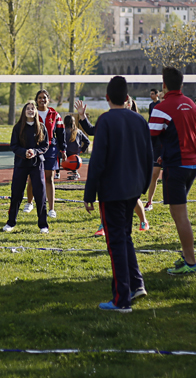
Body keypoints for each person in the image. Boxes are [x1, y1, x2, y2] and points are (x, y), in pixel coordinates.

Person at [84, 76, 153, 312]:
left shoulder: (105, 121)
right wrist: (142, 187)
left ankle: (121, 300)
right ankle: (136, 284)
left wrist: (89, 193)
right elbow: (148, 157)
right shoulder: (139, 120)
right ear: (127, 98)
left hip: (112, 192)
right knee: (125, 237)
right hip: (132, 190)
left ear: (106, 99)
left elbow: (97, 161)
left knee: (115, 243)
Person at [150, 67, 196, 275]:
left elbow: (151, 135)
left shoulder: (162, 107)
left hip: (177, 166)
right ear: (181, 84)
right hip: (192, 165)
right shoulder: (191, 104)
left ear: (164, 85)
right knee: (178, 214)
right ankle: (186, 256)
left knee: (180, 216)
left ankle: (191, 262)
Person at [75, 100, 151, 234]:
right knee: (105, 196)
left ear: (129, 106)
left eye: (127, 103)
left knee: (132, 198)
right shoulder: (109, 120)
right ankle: (103, 225)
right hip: (112, 166)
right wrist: (82, 117)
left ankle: (143, 220)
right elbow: (93, 130)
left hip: (128, 166)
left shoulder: (137, 123)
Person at [3, 101, 50, 234]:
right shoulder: (18, 128)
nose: (30, 110)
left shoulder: (41, 127)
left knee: (40, 195)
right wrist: (24, 152)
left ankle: (43, 225)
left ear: (35, 112)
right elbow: (14, 145)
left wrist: (34, 152)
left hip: (37, 164)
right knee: (16, 194)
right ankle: (10, 223)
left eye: (33, 108)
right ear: (24, 112)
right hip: (21, 165)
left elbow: (45, 145)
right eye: (28, 108)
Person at [24, 90, 64, 218]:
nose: (42, 100)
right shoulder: (31, 112)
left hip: (50, 149)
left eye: (45, 98)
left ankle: (51, 209)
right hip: (34, 148)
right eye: (40, 98)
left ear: (48, 99)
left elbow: (61, 133)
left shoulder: (55, 114)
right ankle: (29, 203)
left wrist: (63, 150)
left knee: (49, 178)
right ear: (36, 100)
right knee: (31, 178)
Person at [144, 89, 163, 211]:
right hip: (156, 143)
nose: (151, 96)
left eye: (153, 93)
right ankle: (149, 201)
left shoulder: (162, 106)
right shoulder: (152, 106)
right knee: (154, 174)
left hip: (166, 145)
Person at [62, 114, 89, 179]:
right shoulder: (78, 131)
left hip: (65, 156)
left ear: (64, 122)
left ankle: (57, 173)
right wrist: (82, 150)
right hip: (76, 157)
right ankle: (74, 171)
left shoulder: (63, 132)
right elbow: (87, 141)